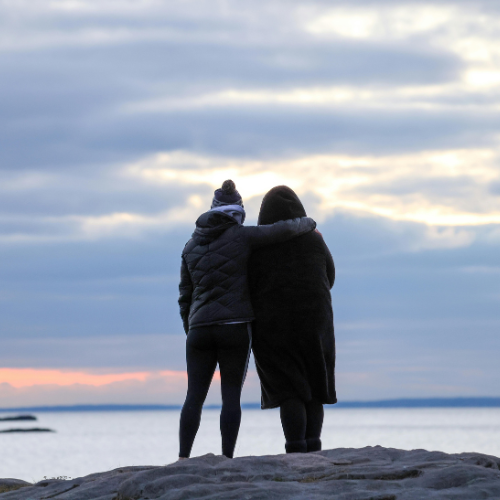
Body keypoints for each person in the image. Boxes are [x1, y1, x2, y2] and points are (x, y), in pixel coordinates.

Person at [178, 180, 316, 459]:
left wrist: (190, 327)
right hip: (235, 327)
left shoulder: (190, 245)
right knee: (230, 397)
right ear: (238, 212)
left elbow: (185, 295)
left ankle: (183, 458)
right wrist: (309, 223)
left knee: (194, 396)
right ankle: (227, 459)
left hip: (198, 330)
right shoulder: (241, 236)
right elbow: (283, 230)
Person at [248, 185, 336, 454]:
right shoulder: (315, 239)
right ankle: (314, 448)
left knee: (289, 388)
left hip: (274, 325)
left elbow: (248, 284)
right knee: (315, 385)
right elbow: (329, 276)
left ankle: (295, 449)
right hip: (316, 321)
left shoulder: (258, 244)